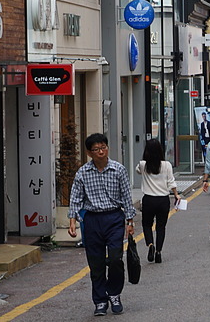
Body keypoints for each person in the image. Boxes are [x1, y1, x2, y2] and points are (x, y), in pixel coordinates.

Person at [68, 133, 137, 316]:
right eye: (96, 149)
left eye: (103, 148)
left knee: (115, 259)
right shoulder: (83, 172)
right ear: (89, 153)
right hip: (92, 220)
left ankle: (114, 294)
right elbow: (76, 197)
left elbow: (126, 197)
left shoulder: (118, 169)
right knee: (96, 263)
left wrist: (130, 221)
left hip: (114, 218)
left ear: (108, 148)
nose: (101, 152)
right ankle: (100, 301)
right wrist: (72, 221)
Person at [135, 139, 180, 265]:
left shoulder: (143, 165)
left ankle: (150, 244)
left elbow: (137, 170)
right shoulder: (166, 165)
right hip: (163, 200)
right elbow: (171, 182)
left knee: (147, 224)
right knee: (161, 227)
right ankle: (159, 252)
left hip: (148, 199)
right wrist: (176, 194)